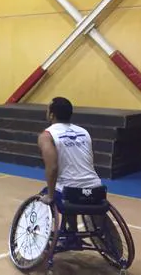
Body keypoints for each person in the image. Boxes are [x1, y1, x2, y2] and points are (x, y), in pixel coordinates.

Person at [38, 97, 102, 234]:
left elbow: (52, 168)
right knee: (67, 187)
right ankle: (71, 233)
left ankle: (48, 235)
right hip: (97, 192)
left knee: (47, 193)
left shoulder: (47, 135)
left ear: (51, 115)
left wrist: (50, 196)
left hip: (70, 195)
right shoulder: (84, 132)